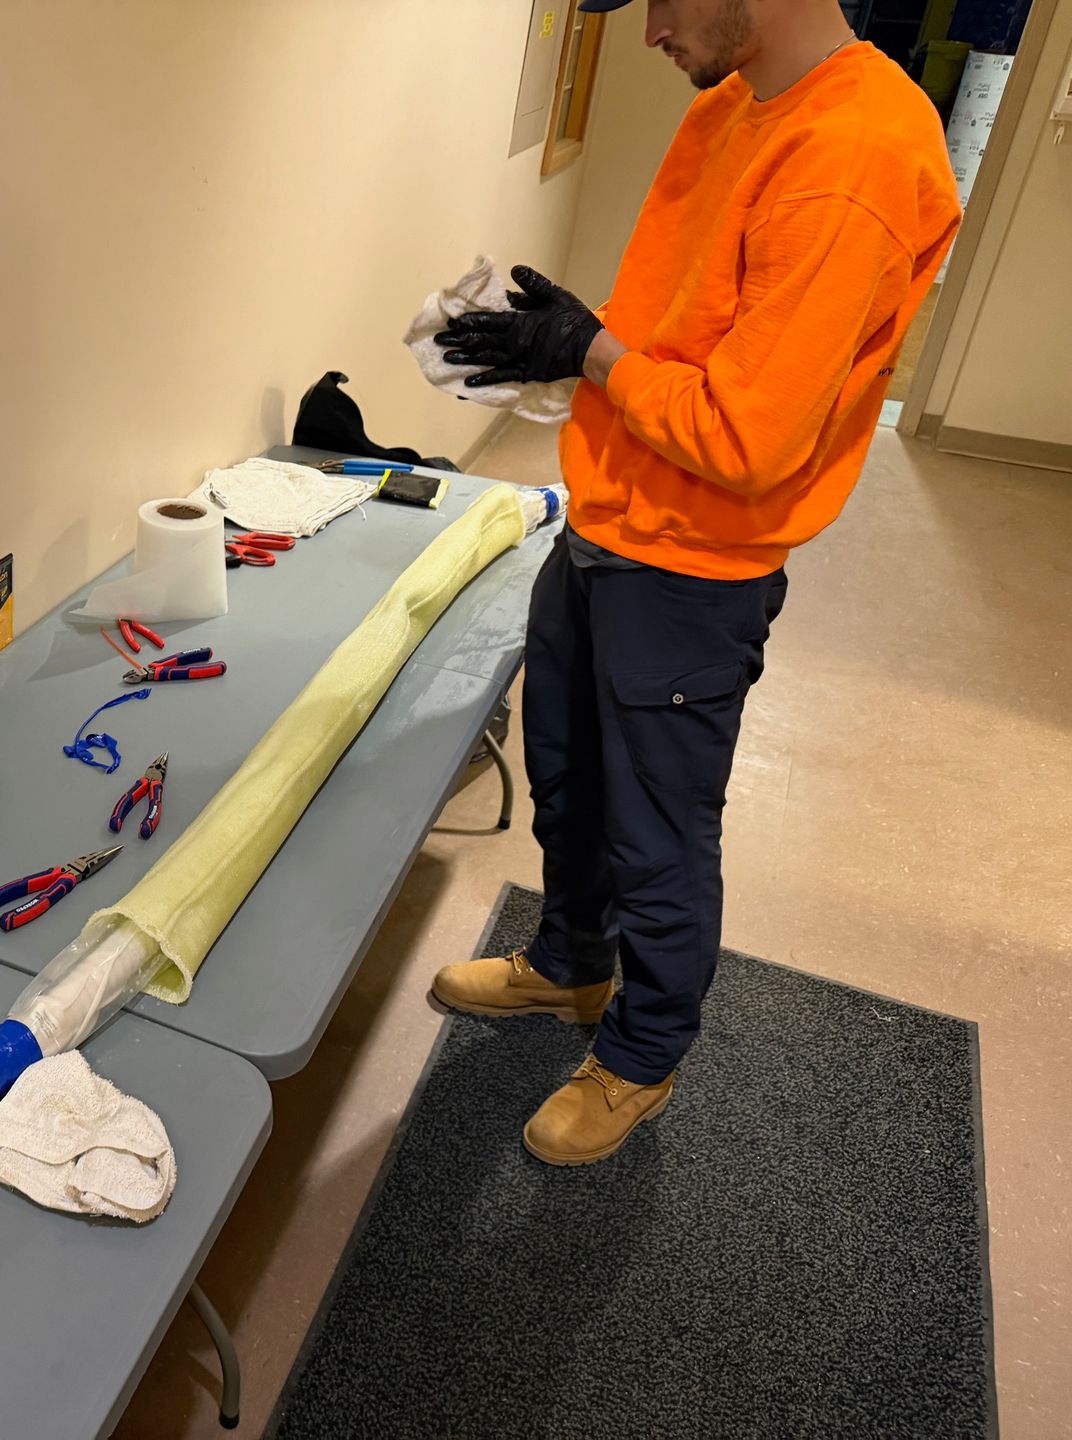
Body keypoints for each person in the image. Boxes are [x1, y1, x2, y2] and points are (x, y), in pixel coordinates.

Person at [430, 0, 960, 1166]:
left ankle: (641, 1058)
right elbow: (685, 327)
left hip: (690, 568)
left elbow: (750, 438)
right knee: (567, 779)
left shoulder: (851, 157)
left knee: (657, 837)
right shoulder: (736, 102)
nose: (648, 30)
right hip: (610, 515)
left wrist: (592, 353)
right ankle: (570, 967)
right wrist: (575, 344)